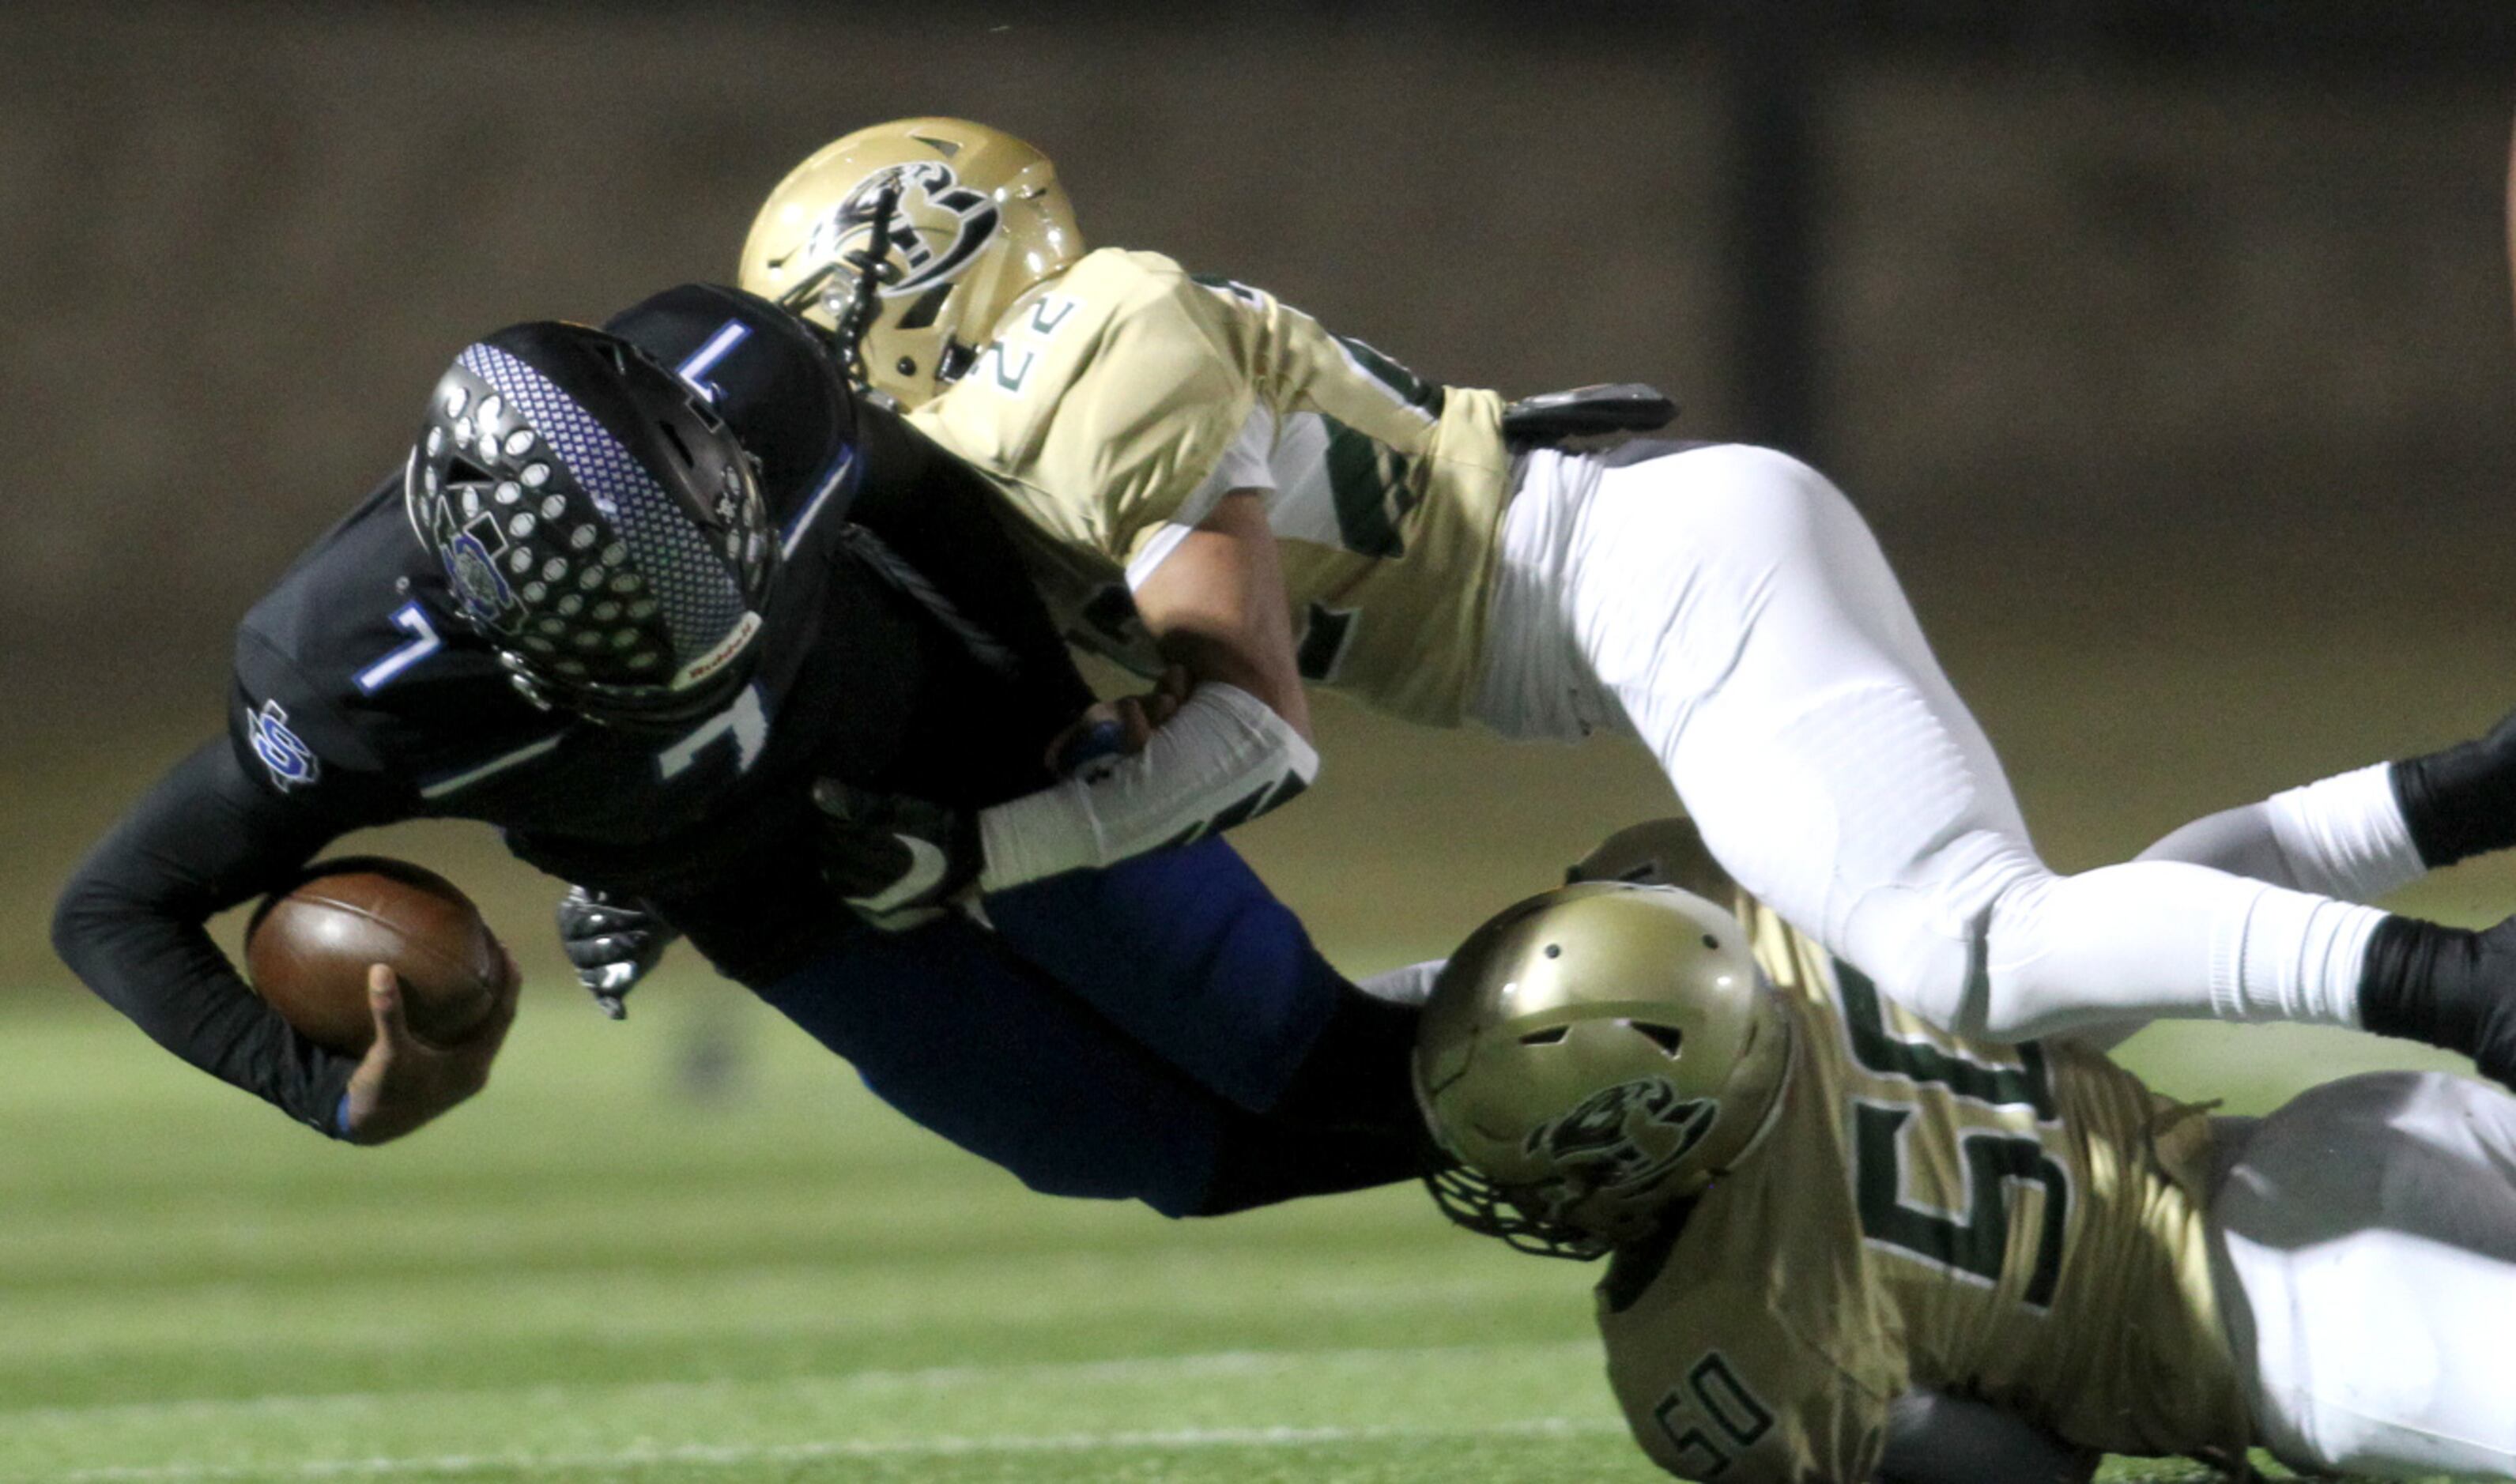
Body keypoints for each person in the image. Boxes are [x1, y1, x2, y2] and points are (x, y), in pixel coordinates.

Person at [728, 116, 2516, 1090]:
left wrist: (990, 858)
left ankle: (2471, 993)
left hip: (1663, 585)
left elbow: (1253, 738)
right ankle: (2467, 798)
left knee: (1972, 954)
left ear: (901, 287)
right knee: (1989, 981)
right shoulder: (1054, 394)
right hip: (1666, 571)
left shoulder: (1075, 368)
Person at [51, 281, 1424, 1218]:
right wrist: (329, 1095)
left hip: (972, 759)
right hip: (780, 903)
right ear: (486, 602)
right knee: (1138, 1153)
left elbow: (925, 499)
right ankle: (1561, 1098)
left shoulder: (752, 378)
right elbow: (115, 906)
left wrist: (1041, 697)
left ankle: (1604, 1067)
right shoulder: (349, 680)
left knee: (1295, 1052)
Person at [1413, 815, 2516, 1482]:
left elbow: (2031, 1466)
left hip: (2313, 1336)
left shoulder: (1734, 1332)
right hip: (2356, 1133)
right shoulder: (1731, 895)